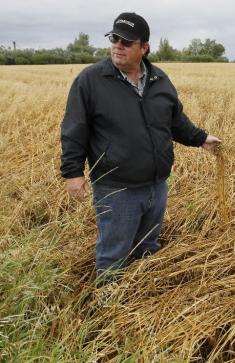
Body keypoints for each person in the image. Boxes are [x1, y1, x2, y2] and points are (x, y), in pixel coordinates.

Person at [60, 12, 221, 287]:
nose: (118, 45)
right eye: (114, 39)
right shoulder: (91, 81)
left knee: (148, 248)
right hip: (116, 188)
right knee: (114, 252)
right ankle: (108, 304)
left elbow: (174, 121)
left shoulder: (159, 79)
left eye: (126, 41)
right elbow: (75, 129)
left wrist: (201, 138)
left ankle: (141, 297)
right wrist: (72, 173)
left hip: (157, 185)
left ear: (144, 47)